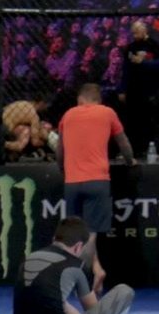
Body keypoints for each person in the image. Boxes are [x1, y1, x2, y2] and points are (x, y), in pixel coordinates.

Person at [13, 216, 134, 314]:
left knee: (53, 305)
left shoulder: (29, 258)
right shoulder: (78, 266)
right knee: (124, 291)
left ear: (54, 239)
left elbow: (57, 302)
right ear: (78, 247)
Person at [56, 83, 135, 239]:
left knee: (75, 234)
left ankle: (81, 256)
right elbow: (123, 143)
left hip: (72, 182)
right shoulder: (107, 113)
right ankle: (90, 256)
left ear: (80, 99)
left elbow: (60, 150)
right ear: (98, 100)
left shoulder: (68, 115)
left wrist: (62, 169)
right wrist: (130, 161)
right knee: (92, 234)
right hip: (97, 180)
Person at [118, 20, 159, 155]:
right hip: (133, 89)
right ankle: (134, 149)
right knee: (133, 120)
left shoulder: (154, 45)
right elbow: (126, 69)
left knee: (151, 121)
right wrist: (122, 89)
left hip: (150, 88)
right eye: (133, 32)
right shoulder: (131, 47)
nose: (135, 35)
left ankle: (153, 149)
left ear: (145, 30)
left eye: (137, 32)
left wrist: (143, 62)